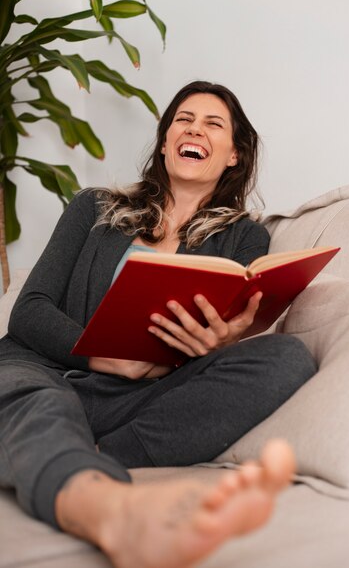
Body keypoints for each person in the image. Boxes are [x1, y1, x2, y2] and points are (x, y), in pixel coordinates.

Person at [0, 81, 316, 568]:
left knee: (287, 357)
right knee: (41, 402)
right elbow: (30, 309)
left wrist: (225, 340)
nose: (195, 129)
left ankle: (103, 451)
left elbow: (230, 325)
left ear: (234, 154)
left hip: (139, 400)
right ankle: (109, 510)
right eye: (183, 120)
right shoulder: (94, 207)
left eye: (214, 124)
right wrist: (99, 355)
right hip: (45, 372)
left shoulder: (245, 237)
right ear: (167, 140)